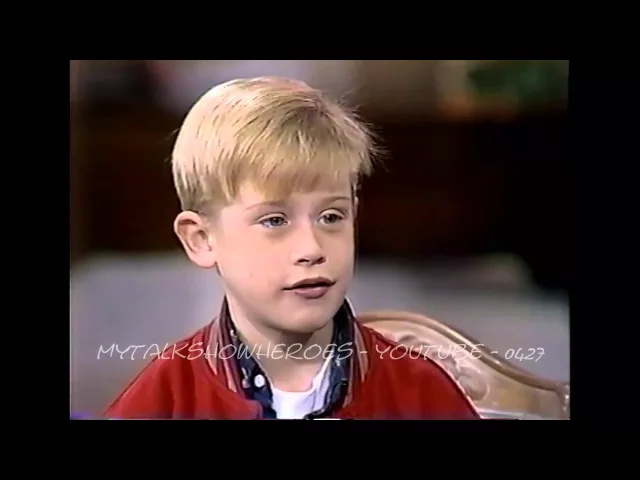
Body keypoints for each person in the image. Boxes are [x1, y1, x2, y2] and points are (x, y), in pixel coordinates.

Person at [103, 77, 480, 420]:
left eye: (331, 217)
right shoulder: (164, 398)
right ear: (201, 239)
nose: (311, 248)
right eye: (274, 221)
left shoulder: (420, 393)